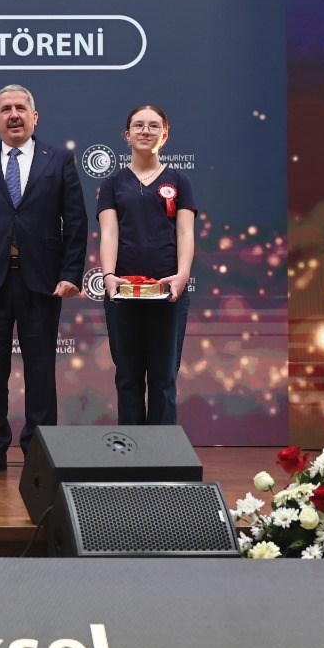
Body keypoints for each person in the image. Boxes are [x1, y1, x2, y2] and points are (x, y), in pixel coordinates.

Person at [0, 84, 87, 473]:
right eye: (6, 109)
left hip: (42, 282)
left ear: (34, 117)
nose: (14, 115)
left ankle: (39, 452)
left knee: (41, 371)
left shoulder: (59, 160)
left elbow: (76, 223)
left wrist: (71, 273)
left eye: (21, 108)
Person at [98, 104, 196, 425]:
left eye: (154, 126)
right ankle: (131, 448)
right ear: (127, 135)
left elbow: (185, 232)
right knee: (127, 376)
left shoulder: (179, 181)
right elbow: (109, 232)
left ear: (164, 135)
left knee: (164, 377)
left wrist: (182, 275)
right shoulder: (112, 184)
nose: (145, 131)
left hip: (168, 291)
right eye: (138, 125)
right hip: (123, 292)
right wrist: (108, 275)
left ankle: (162, 450)